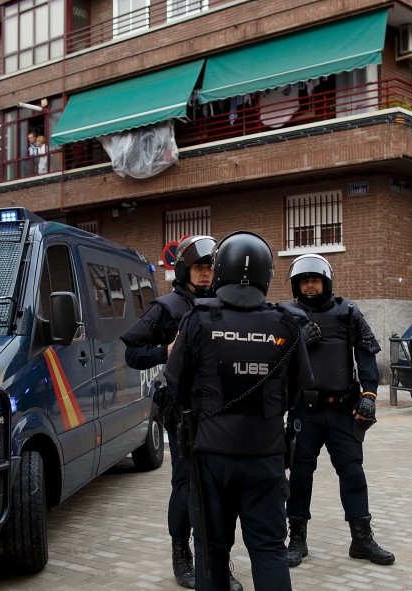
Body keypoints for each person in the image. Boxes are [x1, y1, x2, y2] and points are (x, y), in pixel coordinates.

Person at [165, 231, 314, 591]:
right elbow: (300, 388)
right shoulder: (286, 323)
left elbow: (175, 383)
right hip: (265, 456)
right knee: (268, 550)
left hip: (210, 459)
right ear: (266, 275)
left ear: (220, 272)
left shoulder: (199, 320)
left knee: (212, 551)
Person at [121, 235, 244, 590]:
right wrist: (166, 349)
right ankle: (182, 555)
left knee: (222, 485)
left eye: (211, 268)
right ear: (185, 269)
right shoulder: (168, 306)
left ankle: (218, 559)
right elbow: (131, 352)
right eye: (200, 268)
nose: (206, 275)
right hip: (184, 412)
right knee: (185, 483)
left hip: (223, 409)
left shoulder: (229, 303)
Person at [282, 254, 395, 567]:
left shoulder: (348, 312)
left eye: (315, 279)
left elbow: (367, 354)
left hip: (345, 410)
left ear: (326, 281)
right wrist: (295, 343)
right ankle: (297, 540)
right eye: (304, 281)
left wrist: (370, 396)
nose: (310, 285)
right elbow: (273, 360)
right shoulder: (286, 315)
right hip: (305, 412)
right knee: (301, 475)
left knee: (353, 472)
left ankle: (361, 539)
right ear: (296, 285)